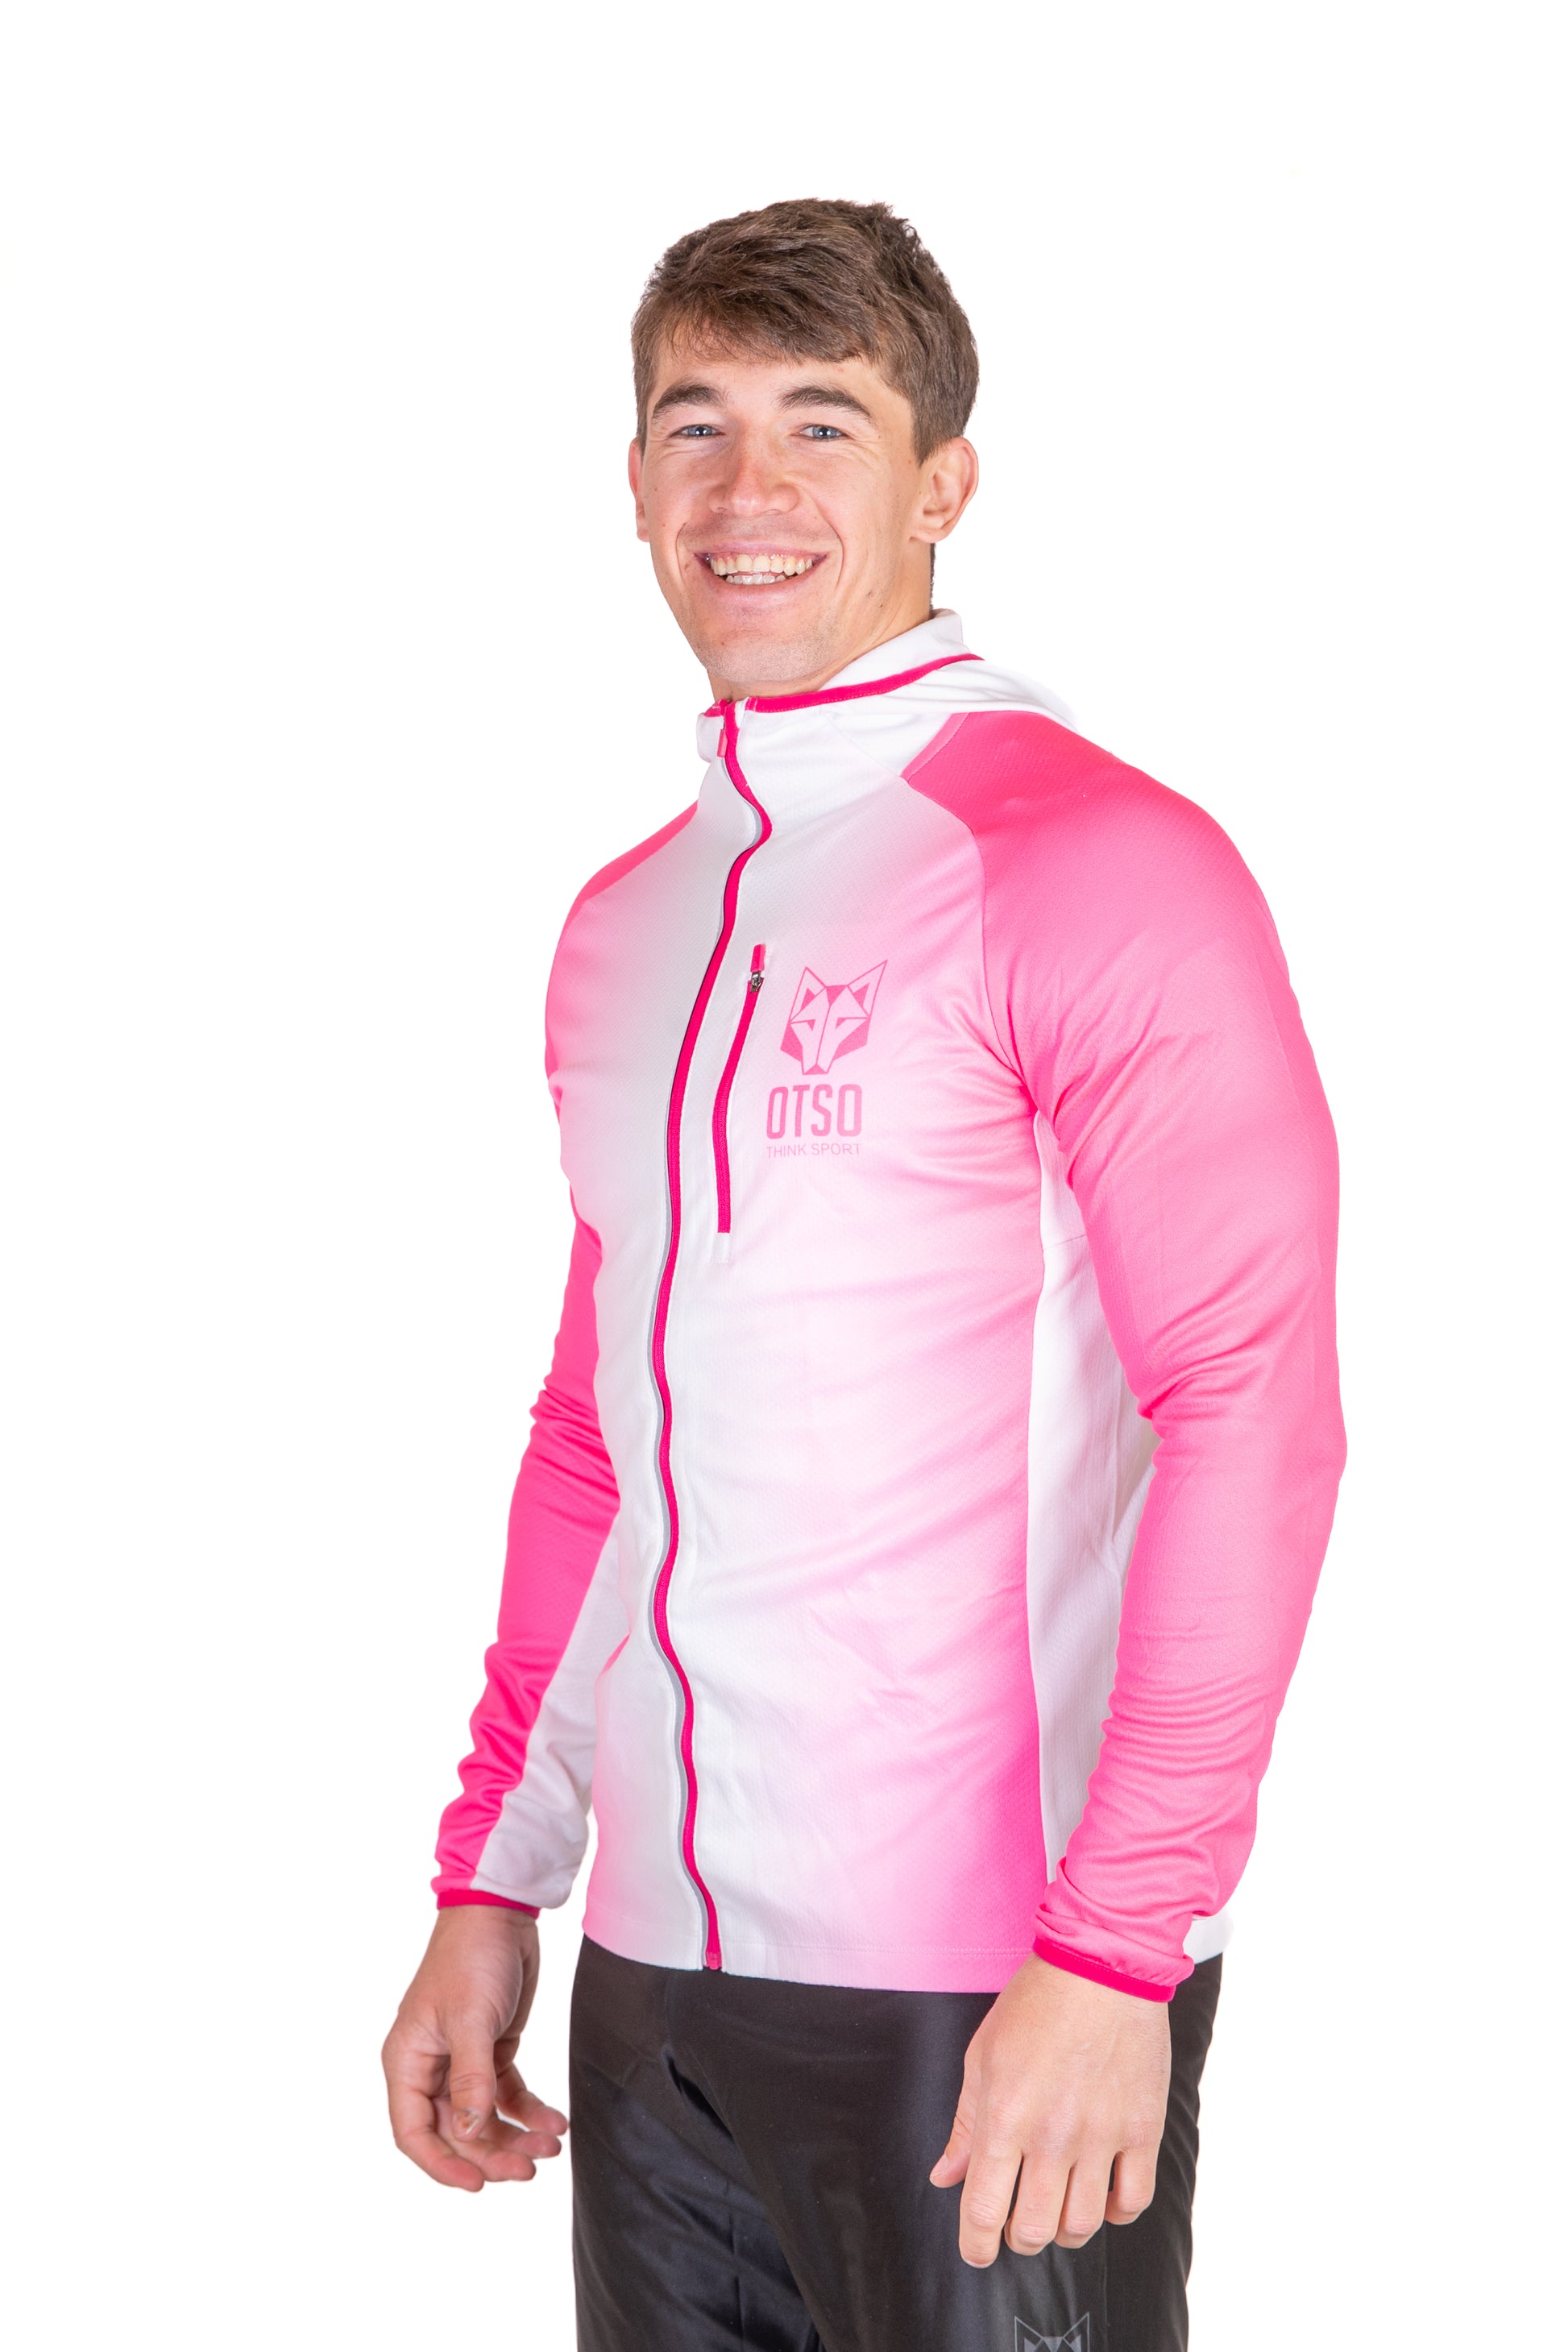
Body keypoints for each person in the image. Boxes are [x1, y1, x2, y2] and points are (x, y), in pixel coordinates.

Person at [381, 197, 1345, 2351]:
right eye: (694, 423)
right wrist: (496, 1879)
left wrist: (1114, 1953)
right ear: (634, 478)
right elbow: (597, 1439)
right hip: (653, 1990)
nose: (749, 488)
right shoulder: (630, 920)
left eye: (823, 423)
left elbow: (1251, 1414)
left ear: (941, 483)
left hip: (983, 1989)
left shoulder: (1095, 859)